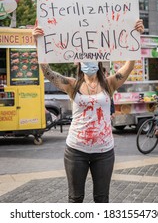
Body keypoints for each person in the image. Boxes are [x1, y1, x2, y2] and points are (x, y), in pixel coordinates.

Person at [32, 19, 144, 203]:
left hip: (104, 151)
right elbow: (47, 72)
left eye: (92, 56)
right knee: (75, 199)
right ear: (78, 62)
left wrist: (135, 37)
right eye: (84, 57)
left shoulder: (109, 83)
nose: (88, 60)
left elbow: (129, 65)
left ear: (98, 60)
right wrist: (39, 43)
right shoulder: (72, 85)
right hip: (76, 151)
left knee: (102, 200)